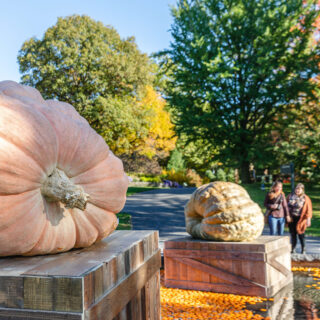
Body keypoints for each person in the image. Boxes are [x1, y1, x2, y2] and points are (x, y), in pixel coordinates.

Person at [287, 183, 312, 254]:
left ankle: (303, 249)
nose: (297, 190)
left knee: (301, 234)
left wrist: (308, 219)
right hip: (292, 218)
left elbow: (309, 209)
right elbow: (285, 206)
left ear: (302, 190)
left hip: (301, 219)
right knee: (293, 234)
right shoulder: (290, 196)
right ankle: (293, 248)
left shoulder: (305, 198)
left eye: (299, 189)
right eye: (296, 189)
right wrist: (287, 216)